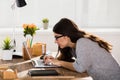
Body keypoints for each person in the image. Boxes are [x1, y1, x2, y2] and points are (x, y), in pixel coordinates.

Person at [44, 18, 120, 80]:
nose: (55, 41)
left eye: (56, 37)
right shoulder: (72, 46)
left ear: (66, 36)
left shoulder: (82, 42)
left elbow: (80, 68)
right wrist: (54, 60)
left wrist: (58, 62)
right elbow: (77, 63)